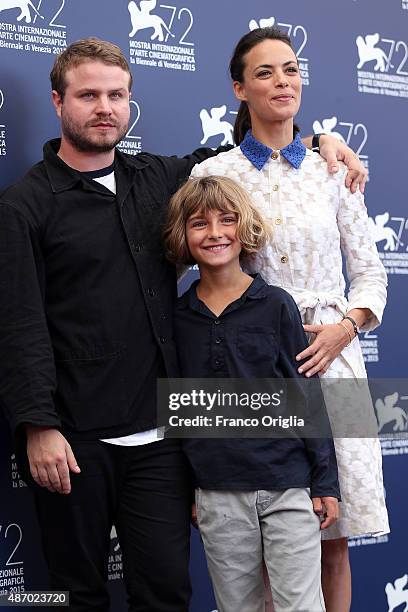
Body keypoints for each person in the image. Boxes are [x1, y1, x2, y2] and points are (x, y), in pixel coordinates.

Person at [0, 36, 368, 611]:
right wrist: (37, 426)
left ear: (129, 103)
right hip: (74, 440)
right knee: (77, 591)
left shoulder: (158, 176)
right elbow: (18, 324)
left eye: (117, 95)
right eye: (89, 95)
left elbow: (254, 150)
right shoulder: (23, 206)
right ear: (57, 103)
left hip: (161, 443)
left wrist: (323, 139)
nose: (104, 107)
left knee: (167, 592)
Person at [189, 27, 389, 612]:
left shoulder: (334, 172)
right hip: (256, 363)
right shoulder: (216, 172)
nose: (283, 81)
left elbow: (372, 273)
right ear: (239, 89)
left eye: (291, 70)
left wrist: (346, 328)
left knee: (336, 537)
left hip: (338, 354)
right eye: (266, 72)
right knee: (274, 532)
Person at [164, 174, 340, 612]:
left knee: (300, 605)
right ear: (183, 235)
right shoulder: (177, 318)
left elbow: (307, 397)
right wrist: (190, 492)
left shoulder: (277, 304)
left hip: (287, 487)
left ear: (245, 229)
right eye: (199, 224)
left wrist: (325, 482)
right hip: (217, 493)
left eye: (227, 220)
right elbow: (179, 413)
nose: (216, 233)